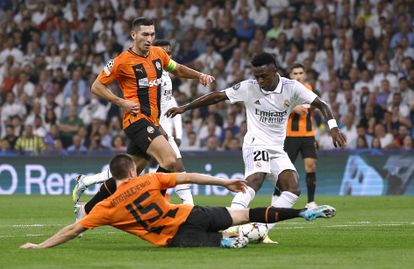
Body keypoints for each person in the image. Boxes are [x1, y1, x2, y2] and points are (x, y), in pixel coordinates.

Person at [166, 52, 346, 242]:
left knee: (292, 188)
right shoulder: (248, 87)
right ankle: (229, 226)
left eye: (263, 76)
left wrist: (333, 127)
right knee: (255, 179)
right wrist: (184, 108)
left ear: (275, 71)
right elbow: (218, 96)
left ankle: (261, 230)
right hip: (255, 143)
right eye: (256, 76)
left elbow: (322, 104)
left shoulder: (292, 87)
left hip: (277, 148)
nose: (259, 80)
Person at [20, 154, 336, 249]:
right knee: (243, 213)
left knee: (216, 243)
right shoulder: (149, 179)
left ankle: (227, 243)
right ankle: (301, 213)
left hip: (175, 236)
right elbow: (189, 176)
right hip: (189, 213)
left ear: (111, 176)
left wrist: (40, 247)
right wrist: (224, 181)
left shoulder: (104, 208)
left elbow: (73, 230)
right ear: (132, 170)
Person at [71, 18, 213, 209]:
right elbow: (96, 87)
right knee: (170, 160)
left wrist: (199, 75)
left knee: (129, 175)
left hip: (152, 121)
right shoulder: (121, 61)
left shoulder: (158, 54)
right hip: (136, 120)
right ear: (134, 35)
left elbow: (177, 68)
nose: (149, 38)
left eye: (152, 34)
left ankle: (87, 209)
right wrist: (121, 102)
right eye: (145, 34)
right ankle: (152, 202)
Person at [273, 63, 319, 210]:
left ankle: (311, 202)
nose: (298, 76)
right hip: (290, 136)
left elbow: (309, 110)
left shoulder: (309, 89)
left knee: (311, 166)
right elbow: (277, 106)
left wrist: (292, 106)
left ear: (304, 74)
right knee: (284, 169)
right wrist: (293, 107)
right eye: (295, 73)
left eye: (301, 73)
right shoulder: (285, 89)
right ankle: (276, 196)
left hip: (308, 135)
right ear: (290, 75)